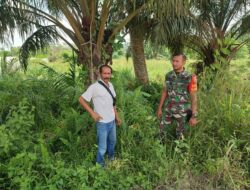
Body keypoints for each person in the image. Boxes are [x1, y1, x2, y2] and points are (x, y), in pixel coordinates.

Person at [79, 65, 121, 167]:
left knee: (113, 142)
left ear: (111, 74)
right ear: (100, 74)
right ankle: (100, 167)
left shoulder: (111, 85)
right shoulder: (94, 87)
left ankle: (111, 159)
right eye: (105, 73)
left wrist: (117, 117)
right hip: (102, 123)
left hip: (112, 121)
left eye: (109, 73)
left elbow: (113, 103)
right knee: (102, 147)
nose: (107, 76)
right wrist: (92, 113)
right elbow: (81, 99)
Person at [157, 53, 198, 139]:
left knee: (180, 136)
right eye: (173, 60)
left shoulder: (190, 77)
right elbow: (165, 91)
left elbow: (193, 98)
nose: (174, 63)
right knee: (161, 131)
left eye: (177, 61)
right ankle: (160, 148)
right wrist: (159, 108)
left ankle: (180, 151)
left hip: (182, 111)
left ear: (183, 62)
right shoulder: (168, 76)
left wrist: (193, 116)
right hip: (168, 108)